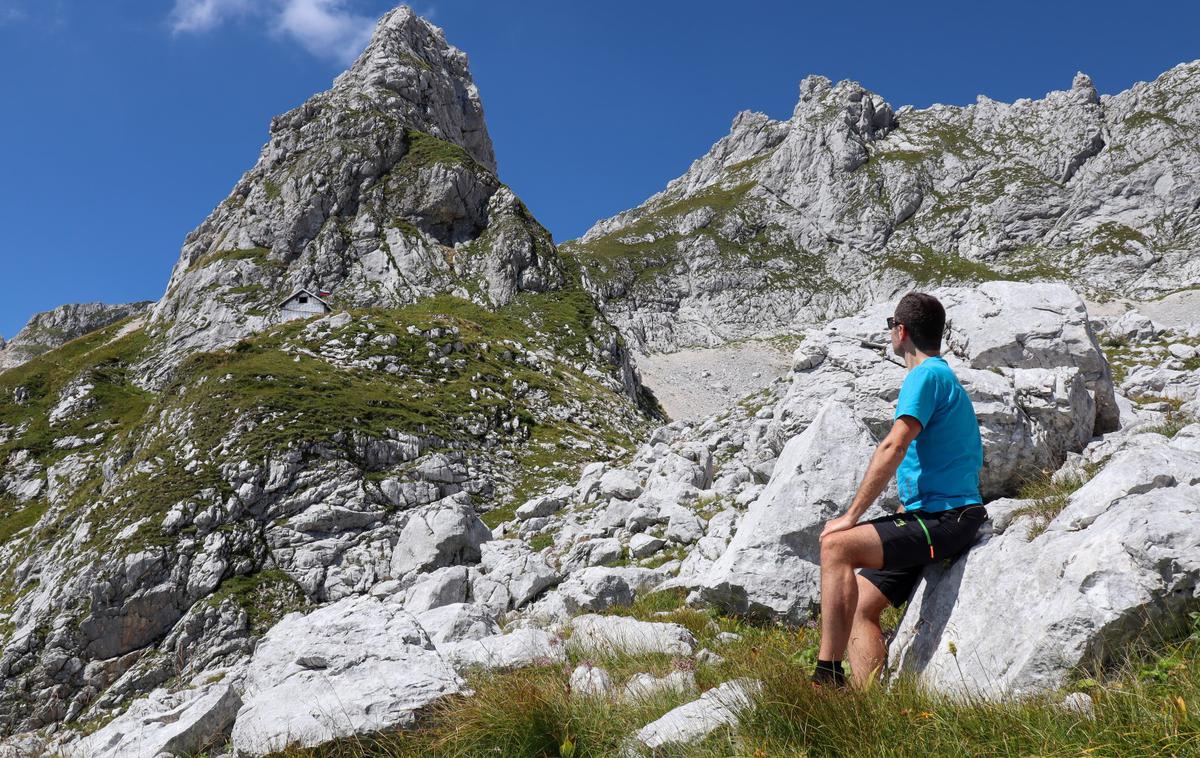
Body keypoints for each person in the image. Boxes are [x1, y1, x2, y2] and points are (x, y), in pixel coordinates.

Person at [810, 292, 986, 689]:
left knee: (836, 546)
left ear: (900, 331)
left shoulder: (924, 375)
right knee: (859, 607)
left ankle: (826, 674)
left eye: (891, 324)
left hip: (945, 519)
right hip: (935, 517)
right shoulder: (941, 376)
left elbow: (894, 444)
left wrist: (850, 517)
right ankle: (861, 704)